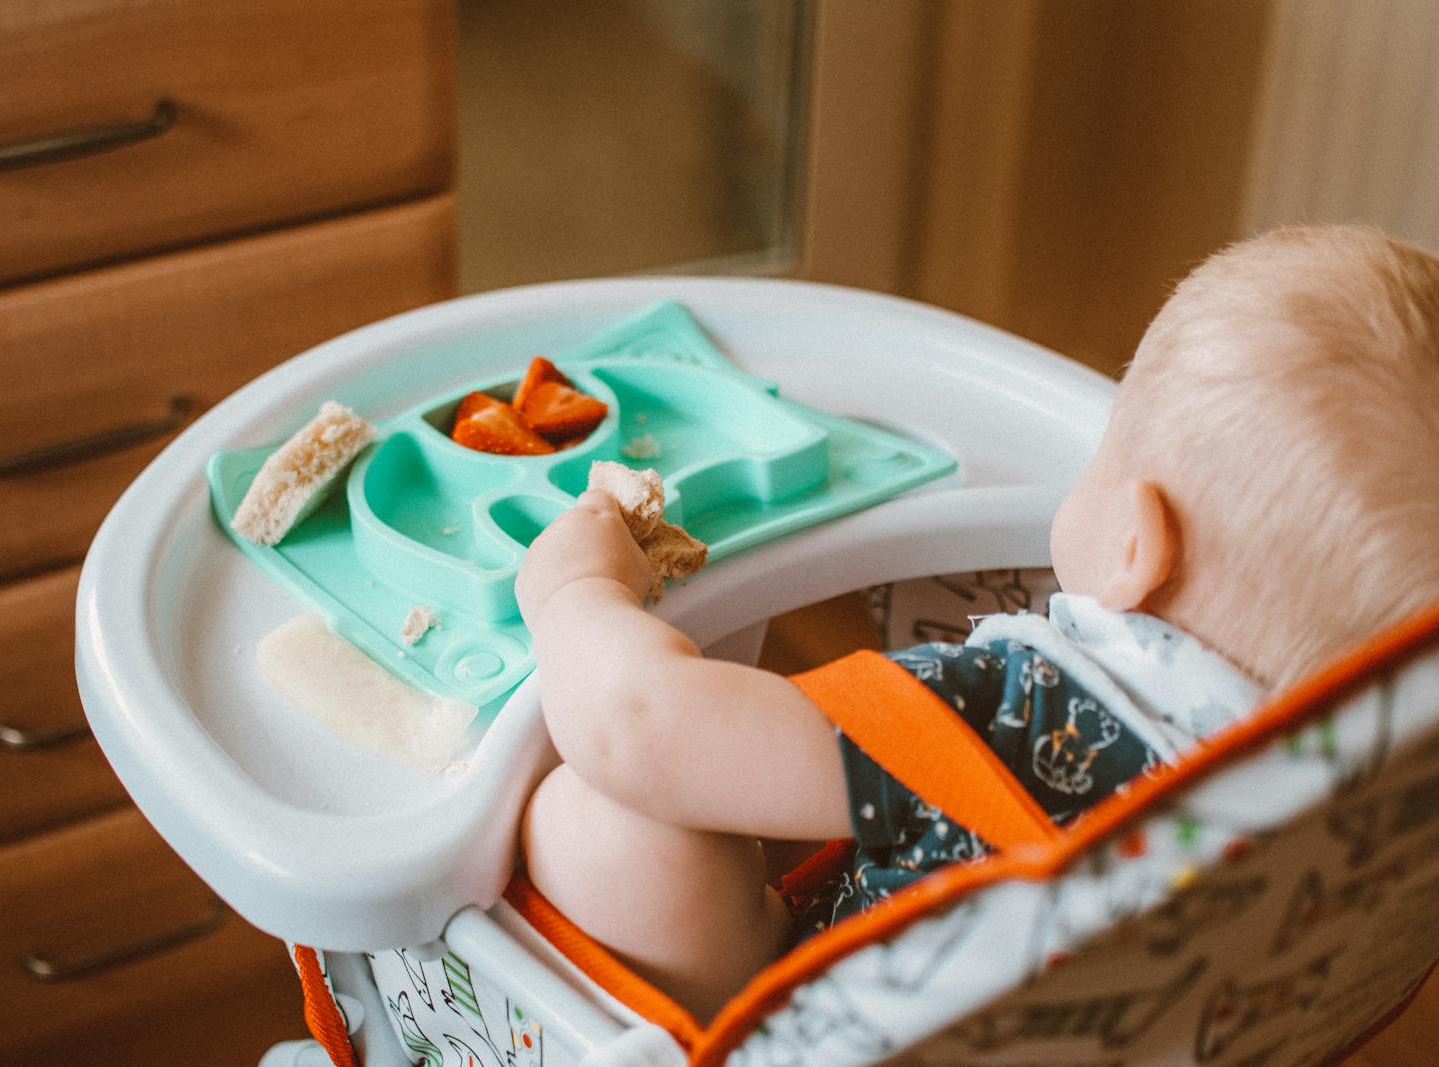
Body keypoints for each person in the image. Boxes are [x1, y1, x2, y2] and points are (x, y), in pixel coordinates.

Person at [512, 225, 1439, 1021]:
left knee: (601, 824)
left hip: (819, 1020)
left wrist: (572, 592)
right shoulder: (1346, 827)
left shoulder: (1030, 719)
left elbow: (639, 723)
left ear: (1133, 545)